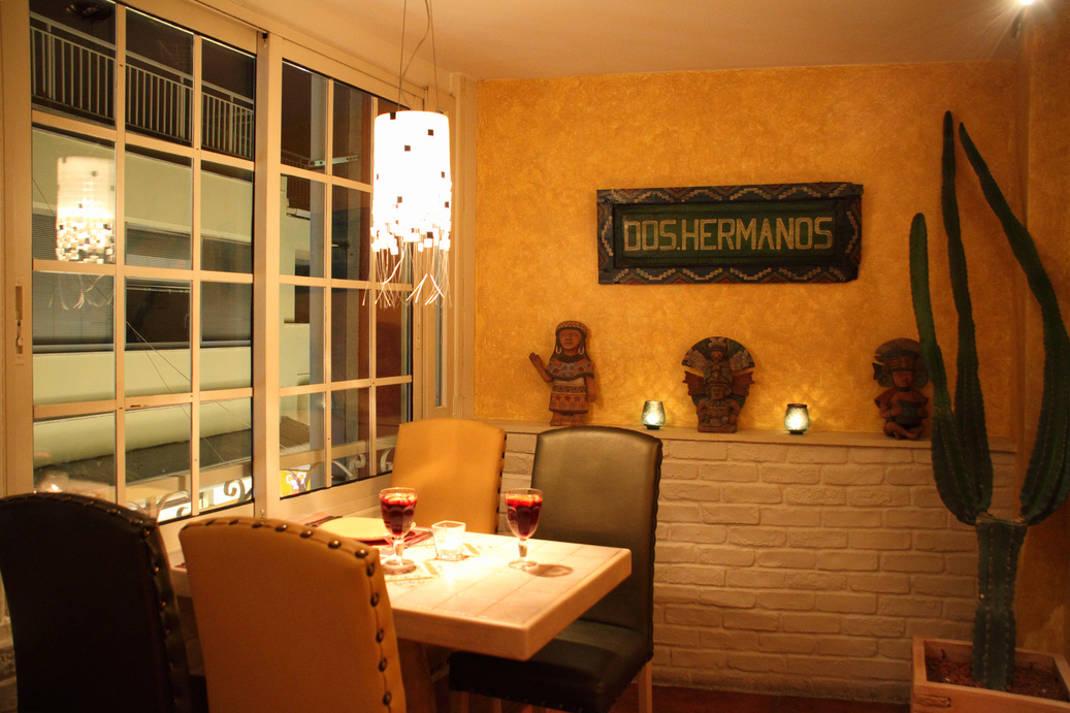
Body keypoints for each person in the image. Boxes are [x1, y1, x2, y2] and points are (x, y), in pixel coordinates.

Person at [529, 321, 596, 426]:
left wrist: (591, 391)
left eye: (574, 335)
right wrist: (538, 365)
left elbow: (589, 379)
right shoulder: (555, 362)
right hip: (559, 396)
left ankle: (577, 419)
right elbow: (548, 378)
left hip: (578, 397)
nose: (568, 338)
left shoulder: (584, 362)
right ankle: (558, 417)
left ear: (582, 340)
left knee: (578, 417)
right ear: (558, 340)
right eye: (563, 335)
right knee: (557, 416)